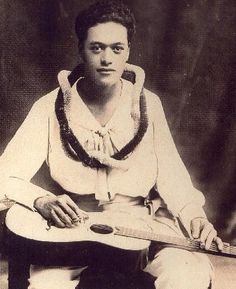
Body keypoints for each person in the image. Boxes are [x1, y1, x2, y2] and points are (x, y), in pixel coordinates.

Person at [0, 1, 223, 289]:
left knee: (185, 274)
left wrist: (195, 218)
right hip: (76, 234)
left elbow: (173, 179)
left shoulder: (147, 105)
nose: (107, 58)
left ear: (128, 52)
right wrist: (41, 200)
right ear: (81, 49)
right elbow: (5, 175)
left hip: (141, 229)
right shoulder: (49, 107)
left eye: (117, 48)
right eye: (97, 48)